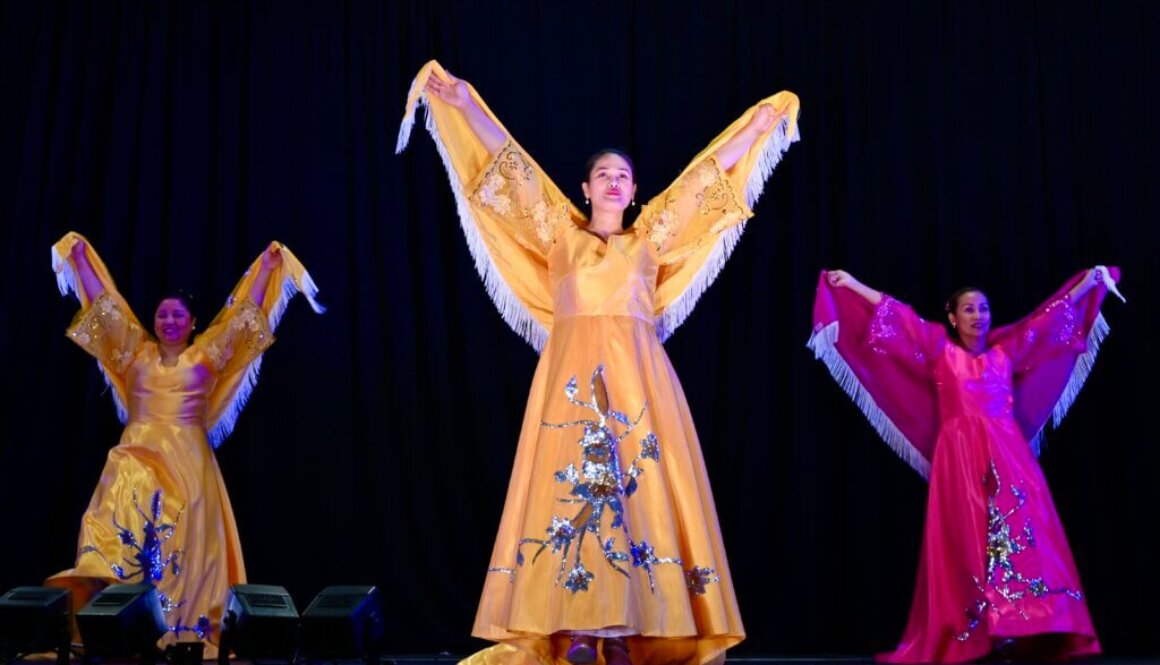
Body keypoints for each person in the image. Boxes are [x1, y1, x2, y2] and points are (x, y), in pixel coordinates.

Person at [396, 60, 800, 665]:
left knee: (640, 497)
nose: (613, 182)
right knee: (575, 495)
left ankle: (628, 633)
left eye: (623, 177)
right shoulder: (559, 233)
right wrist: (462, 104)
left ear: (635, 192)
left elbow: (702, 186)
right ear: (585, 188)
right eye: (603, 175)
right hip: (573, 382)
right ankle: (579, 630)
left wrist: (759, 128)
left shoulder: (649, 240)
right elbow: (512, 166)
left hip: (639, 382)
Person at [809, 266, 1122, 662]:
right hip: (958, 459)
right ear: (953, 317)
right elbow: (898, 314)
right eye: (969, 310)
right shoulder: (939, 349)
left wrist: (1087, 284)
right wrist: (852, 285)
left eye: (984, 309)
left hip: (1008, 457)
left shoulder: (1007, 351)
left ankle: (1017, 628)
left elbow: (1049, 319)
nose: (979, 315)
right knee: (965, 540)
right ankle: (974, 631)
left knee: (1021, 536)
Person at [47, 231, 324, 656]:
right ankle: (117, 622)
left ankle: (183, 634)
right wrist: (82, 261)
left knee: (185, 550)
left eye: (178, 315)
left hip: (188, 463)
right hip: (136, 458)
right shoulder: (135, 353)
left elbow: (240, 319)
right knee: (111, 526)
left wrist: (267, 270)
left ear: (193, 323)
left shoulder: (206, 355)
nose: (169, 321)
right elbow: (106, 309)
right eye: (162, 316)